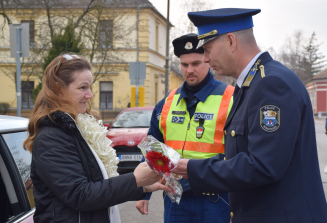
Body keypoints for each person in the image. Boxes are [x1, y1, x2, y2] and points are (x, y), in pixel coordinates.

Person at [172, 8, 327, 223]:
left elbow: (263, 165)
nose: (206, 59)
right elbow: (241, 154)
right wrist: (188, 165)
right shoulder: (252, 83)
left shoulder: (270, 84)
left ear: (231, 41)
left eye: (207, 49)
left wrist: (192, 168)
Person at [23, 54, 171, 223]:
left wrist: (141, 186)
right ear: (58, 89)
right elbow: (80, 195)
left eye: (90, 87)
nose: (90, 95)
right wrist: (134, 180)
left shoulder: (78, 128)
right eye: (82, 88)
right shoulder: (51, 137)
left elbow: (97, 186)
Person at [136, 33, 234, 223]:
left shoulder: (230, 99)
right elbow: (153, 147)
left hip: (216, 201)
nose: (189, 70)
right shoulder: (167, 102)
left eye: (196, 63)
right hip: (175, 202)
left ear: (208, 60)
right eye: (184, 65)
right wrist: (143, 192)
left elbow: (241, 157)